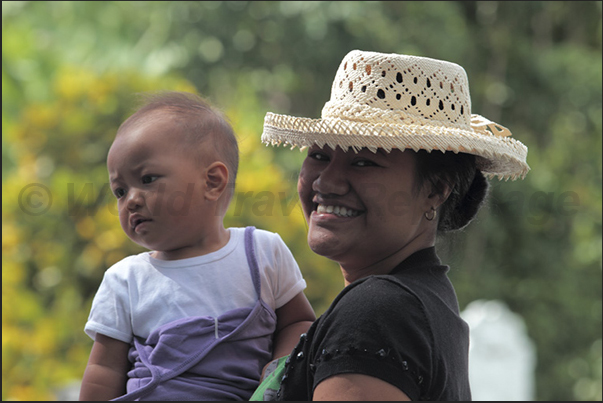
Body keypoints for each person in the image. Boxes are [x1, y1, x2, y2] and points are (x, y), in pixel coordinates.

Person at [252, 50, 529, 401]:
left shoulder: (376, 312)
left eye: (364, 162)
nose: (327, 181)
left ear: (436, 189)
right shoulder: (421, 303)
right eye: (319, 156)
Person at [79, 91, 316, 401]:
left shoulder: (261, 253)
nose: (131, 200)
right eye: (120, 191)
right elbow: (104, 370)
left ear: (213, 182)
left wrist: (279, 365)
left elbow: (299, 322)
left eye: (148, 179)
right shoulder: (125, 279)